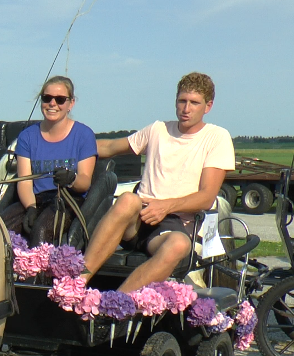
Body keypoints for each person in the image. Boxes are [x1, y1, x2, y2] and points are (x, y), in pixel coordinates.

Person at [80, 72, 235, 293]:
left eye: (194, 103)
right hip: (138, 220)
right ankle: (77, 284)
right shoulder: (157, 129)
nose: (186, 108)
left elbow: (207, 196)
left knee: (180, 244)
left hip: (172, 227)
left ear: (208, 106)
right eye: (182, 101)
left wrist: (165, 206)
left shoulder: (217, 138)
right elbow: (110, 148)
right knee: (127, 200)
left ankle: (117, 303)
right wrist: (69, 145)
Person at [0, 76, 97, 239]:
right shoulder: (27, 137)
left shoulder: (84, 135)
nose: (52, 104)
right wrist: (31, 207)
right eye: (47, 98)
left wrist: (71, 179)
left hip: (67, 201)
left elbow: (85, 181)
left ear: (70, 103)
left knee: (41, 231)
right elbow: (24, 181)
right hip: (36, 199)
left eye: (60, 100)